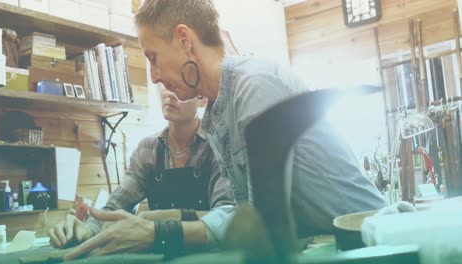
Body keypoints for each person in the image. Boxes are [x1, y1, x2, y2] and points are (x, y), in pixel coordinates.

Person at [61, 0, 388, 260]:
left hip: (376, 243)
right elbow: (241, 213)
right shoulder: (218, 110)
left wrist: (159, 234)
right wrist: (116, 222)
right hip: (330, 243)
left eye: (153, 57)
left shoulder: (254, 86)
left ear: (185, 39)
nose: (154, 76)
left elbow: (261, 225)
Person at [48, 85, 235, 254]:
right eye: (166, 86)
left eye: (179, 87)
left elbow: (224, 217)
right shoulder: (148, 149)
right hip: (162, 255)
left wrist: (161, 222)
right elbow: (115, 206)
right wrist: (88, 229)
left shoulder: (218, 147)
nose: (170, 93)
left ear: (202, 98)